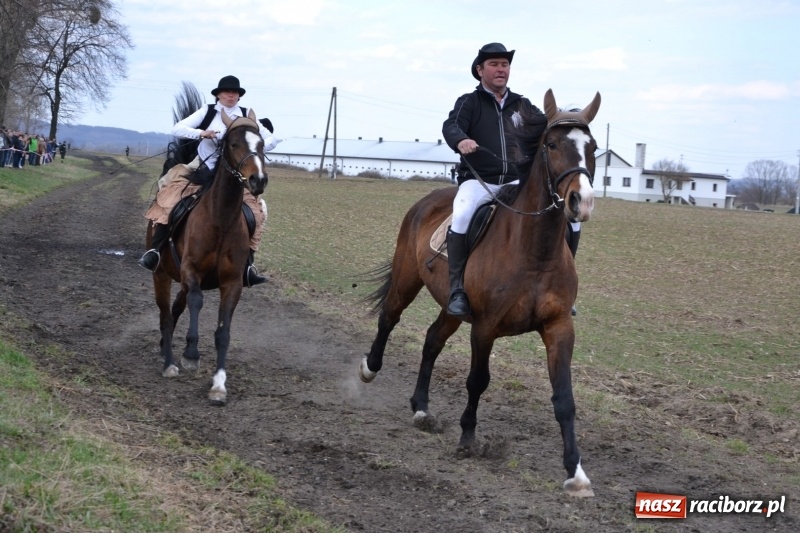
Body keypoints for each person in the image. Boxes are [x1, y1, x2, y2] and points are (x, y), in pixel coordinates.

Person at [441, 42, 582, 318]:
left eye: (505, 64)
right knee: (462, 214)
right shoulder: (469, 102)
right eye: (494, 64)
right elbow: (451, 125)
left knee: (571, 218)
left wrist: (571, 121)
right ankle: (457, 288)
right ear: (480, 70)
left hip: (517, 183)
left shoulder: (522, 105)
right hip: (479, 181)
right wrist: (461, 140)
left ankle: (563, 286)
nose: (501, 69)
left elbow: (550, 125)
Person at [139, 75, 278, 287]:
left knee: (259, 212)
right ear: (218, 95)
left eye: (235, 92)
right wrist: (202, 133)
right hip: (203, 167)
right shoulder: (208, 111)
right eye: (227, 92)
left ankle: (248, 264)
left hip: (235, 175)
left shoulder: (245, 117)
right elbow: (177, 128)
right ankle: (156, 252)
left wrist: (254, 150)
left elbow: (272, 139)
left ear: (239, 96)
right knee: (169, 199)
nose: (231, 95)